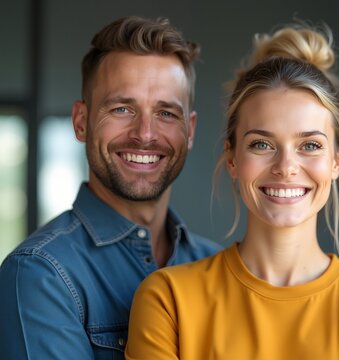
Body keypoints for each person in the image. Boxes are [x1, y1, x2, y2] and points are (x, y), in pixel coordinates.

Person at [125, 23, 339, 360]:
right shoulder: (167, 300)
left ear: (337, 160)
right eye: (262, 144)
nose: (286, 166)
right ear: (232, 157)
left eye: (309, 145)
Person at [0, 16, 221, 358]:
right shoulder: (39, 273)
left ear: (189, 131)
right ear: (81, 122)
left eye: (166, 114)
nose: (145, 134)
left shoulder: (218, 266)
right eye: (121, 108)